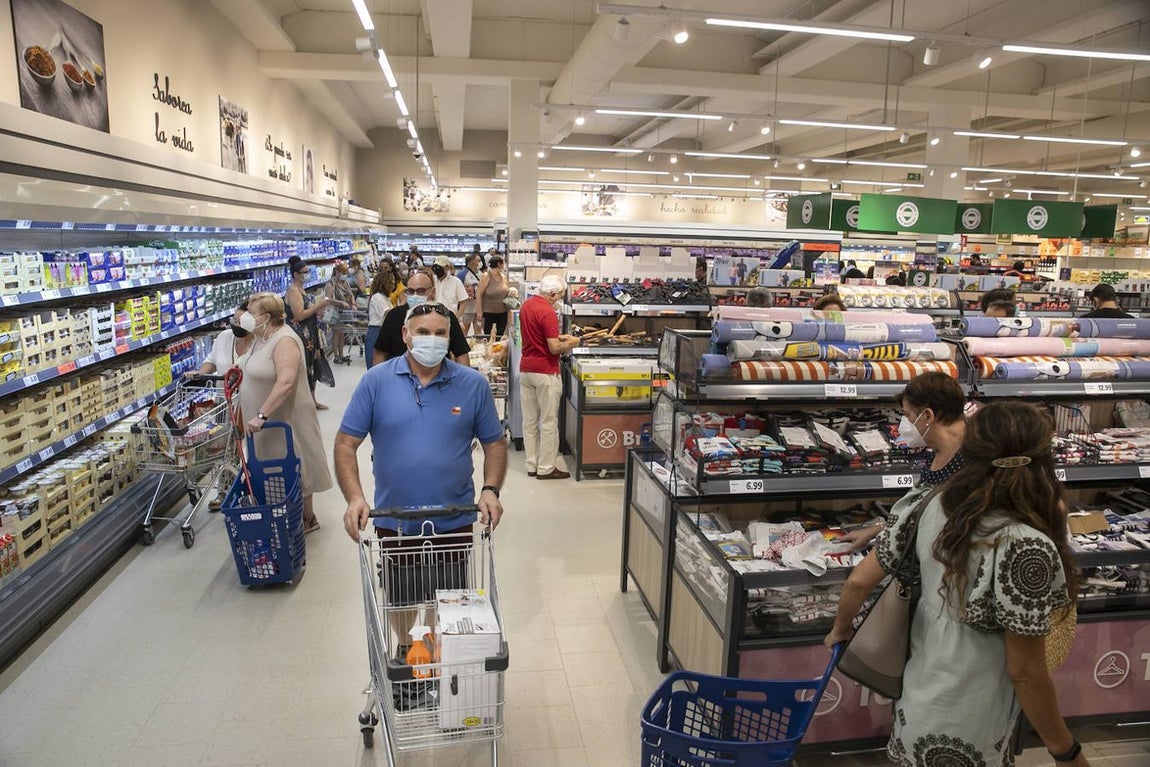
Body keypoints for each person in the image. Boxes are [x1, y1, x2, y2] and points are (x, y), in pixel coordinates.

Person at [825, 401, 1087, 767]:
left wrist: (840, 628)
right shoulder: (1025, 547)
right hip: (971, 726)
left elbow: (861, 580)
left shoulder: (931, 504)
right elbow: (1026, 673)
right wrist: (1065, 750)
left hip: (916, 709)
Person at [335, 302, 507, 542]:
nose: (432, 340)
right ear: (406, 335)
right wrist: (355, 497)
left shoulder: (472, 384)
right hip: (393, 521)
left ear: (449, 337)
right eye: (423, 333)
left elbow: (495, 444)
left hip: (455, 519)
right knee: (397, 580)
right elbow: (345, 444)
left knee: (454, 581)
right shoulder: (375, 381)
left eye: (440, 333)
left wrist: (490, 490)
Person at [838, 372, 967, 552]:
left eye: (907, 415)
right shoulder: (935, 454)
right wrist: (878, 530)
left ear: (928, 416)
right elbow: (918, 513)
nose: (903, 425)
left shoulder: (973, 461)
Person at [238, 293, 333, 533]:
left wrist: (261, 415)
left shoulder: (284, 340)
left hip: (283, 418)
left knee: (293, 464)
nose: (246, 316)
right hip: (266, 423)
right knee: (273, 468)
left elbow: (286, 381)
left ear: (267, 317)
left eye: (252, 312)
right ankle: (282, 516)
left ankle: (306, 518)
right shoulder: (260, 337)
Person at [519, 274, 581, 480]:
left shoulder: (527, 305)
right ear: (553, 294)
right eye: (560, 295)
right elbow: (554, 348)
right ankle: (546, 468)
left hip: (527, 369)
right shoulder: (548, 311)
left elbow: (538, 336)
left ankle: (531, 464)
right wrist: (572, 343)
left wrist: (557, 337)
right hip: (545, 371)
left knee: (529, 421)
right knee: (548, 422)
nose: (560, 299)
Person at [374, 268, 470, 367]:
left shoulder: (446, 317)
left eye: (421, 291)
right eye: (411, 291)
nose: (415, 295)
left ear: (433, 292)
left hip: (440, 378)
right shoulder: (394, 316)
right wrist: (380, 378)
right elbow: (380, 353)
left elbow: (462, 354)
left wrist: (463, 379)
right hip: (399, 376)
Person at [284, 257, 345, 409]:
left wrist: (320, 311)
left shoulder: (302, 289)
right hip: (300, 336)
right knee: (303, 367)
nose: (308, 274)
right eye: (305, 272)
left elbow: (307, 311)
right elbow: (298, 315)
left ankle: (312, 400)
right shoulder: (293, 291)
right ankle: (301, 403)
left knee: (313, 365)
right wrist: (319, 305)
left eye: (309, 271)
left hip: (310, 334)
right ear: (296, 274)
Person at [193, 302, 253, 376]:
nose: (235, 325)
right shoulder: (225, 336)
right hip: (222, 387)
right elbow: (212, 361)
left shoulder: (262, 344)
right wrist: (200, 374)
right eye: (234, 320)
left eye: (240, 322)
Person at [324, 262, 357, 364]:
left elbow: (351, 294)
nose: (345, 274)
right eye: (343, 272)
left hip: (345, 312)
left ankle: (342, 355)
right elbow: (328, 299)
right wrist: (340, 302)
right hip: (335, 312)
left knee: (342, 333)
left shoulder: (345, 283)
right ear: (337, 272)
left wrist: (353, 303)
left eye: (346, 272)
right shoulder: (330, 284)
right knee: (336, 334)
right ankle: (336, 356)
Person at [476, 255, 511, 337]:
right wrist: (479, 311)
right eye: (503, 263)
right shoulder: (486, 276)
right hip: (489, 313)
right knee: (489, 336)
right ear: (499, 264)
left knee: (500, 336)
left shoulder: (503, 277)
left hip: (503, 313)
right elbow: (479, 293)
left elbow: (507, 292)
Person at [457, 253, 483, 334]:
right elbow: (457, 289)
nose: (480, 263)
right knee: (464, 331)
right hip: (467, 309)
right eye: (478, 261)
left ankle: (478, 346)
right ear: (471, 261)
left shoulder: (480, 273)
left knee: (478, 331)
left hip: (479, 308)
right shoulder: (462, 274)